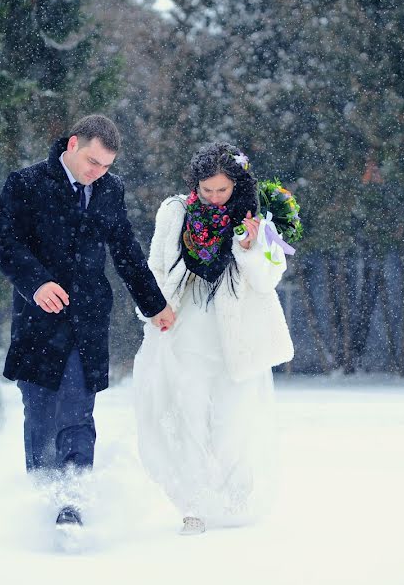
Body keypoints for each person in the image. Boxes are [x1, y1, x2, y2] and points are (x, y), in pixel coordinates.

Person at [0, 115, 175, 529]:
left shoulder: (110, 190)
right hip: (38, 323)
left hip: (87, 324)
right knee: (40, 415)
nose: (98, 173)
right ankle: (42, 503)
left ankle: (72, 504)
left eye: (106, 166)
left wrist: (154, 304)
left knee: (77, 412)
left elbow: (126, 252)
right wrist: (36, 283)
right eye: (93, 162)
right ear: (73, 145)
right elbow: (3, 242)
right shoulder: (26, 184)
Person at [132, 142, 294, 535]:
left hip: (236, 338)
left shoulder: (260, 218)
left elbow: (269, 278)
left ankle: (231, 496)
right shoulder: (175, 212)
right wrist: (154, 309)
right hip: (185, 333)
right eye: (207, 190)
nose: (215, 197)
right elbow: (155, 266)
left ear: (236, 185)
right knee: (186, 419)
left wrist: (249, 247)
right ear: (195, 185)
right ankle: (193, 507)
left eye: (222, 190)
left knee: (232, 422)